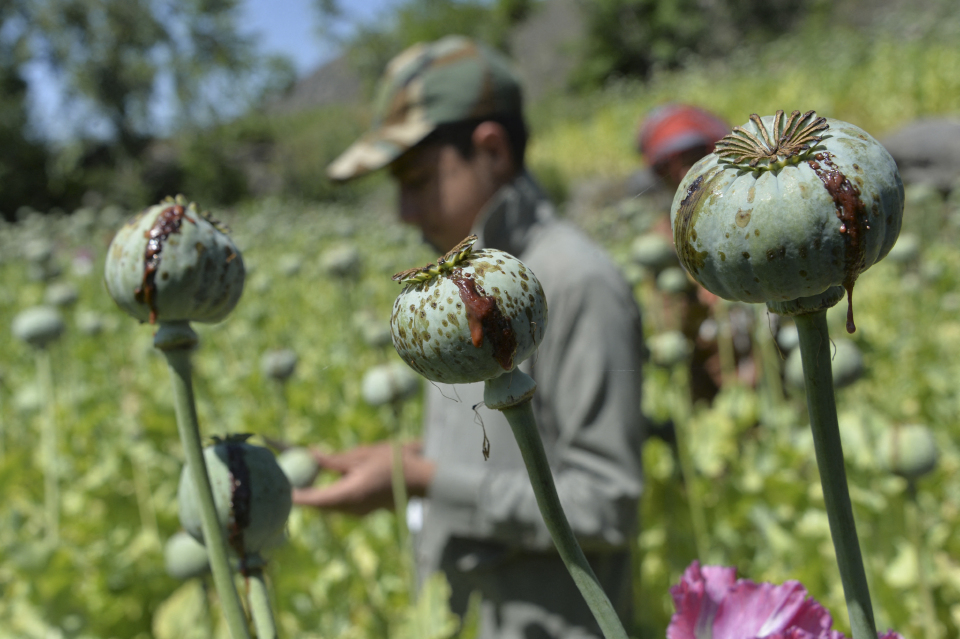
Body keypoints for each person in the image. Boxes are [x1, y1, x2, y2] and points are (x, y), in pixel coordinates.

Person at [293, 35, 645, 639]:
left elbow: (607, 507)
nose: (403, 211)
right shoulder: (460, 288)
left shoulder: (575, 281)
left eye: (419, 179)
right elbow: (490, 453)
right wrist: (404, 467)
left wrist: (431, 484)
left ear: (492, 150)